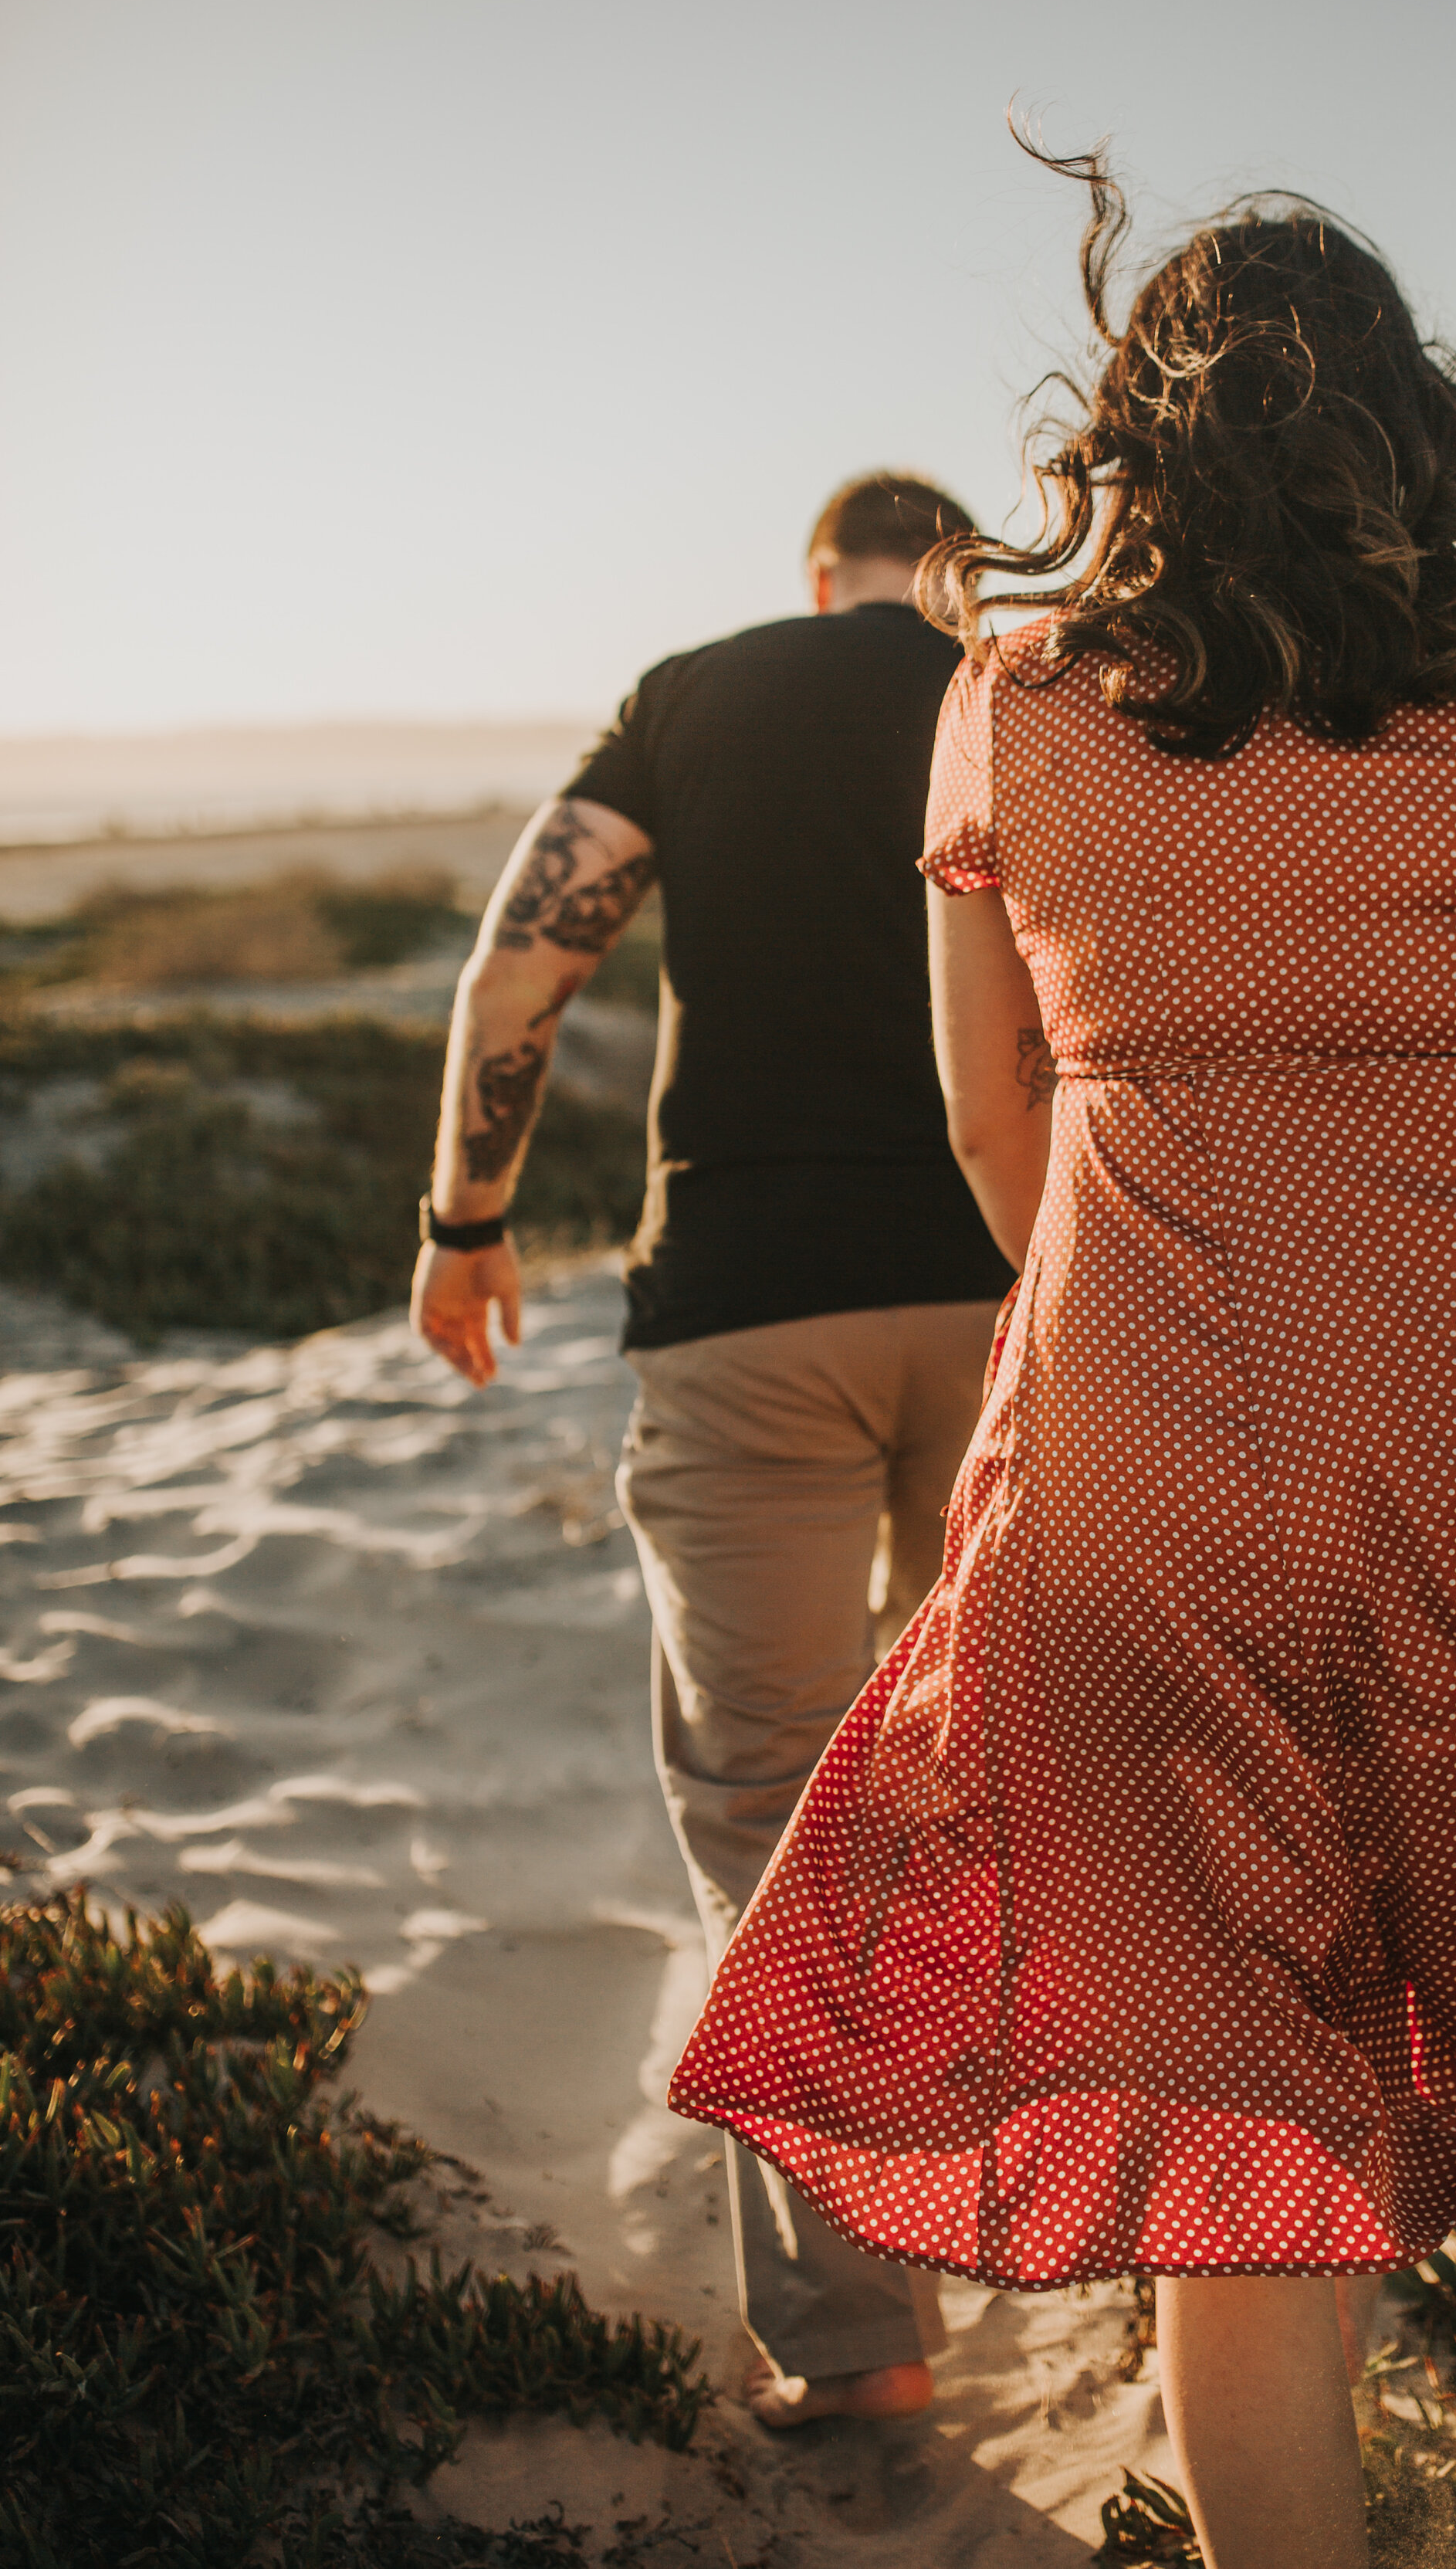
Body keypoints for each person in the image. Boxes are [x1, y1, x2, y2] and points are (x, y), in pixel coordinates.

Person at [665, 163, 1456, 2562]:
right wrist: (1427, 1289)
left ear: (1129, 442)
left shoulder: (1024, 709)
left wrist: (1157, 1296)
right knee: (1414, 1936)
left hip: (1149, 1415)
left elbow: (995, 1119)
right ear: (1418, 427)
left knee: (1228, 2079)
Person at [411, 471, 1012, 2426]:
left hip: (747, 1312)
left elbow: (525, 957)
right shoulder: (1024, 688)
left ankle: (863, 2350)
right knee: (995, 1768)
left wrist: (463, 1223)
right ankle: (1083, 2201)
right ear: (958, 573)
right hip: (1023, 1305)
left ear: (809, 571)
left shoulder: (692, 694)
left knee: (770, 1807)